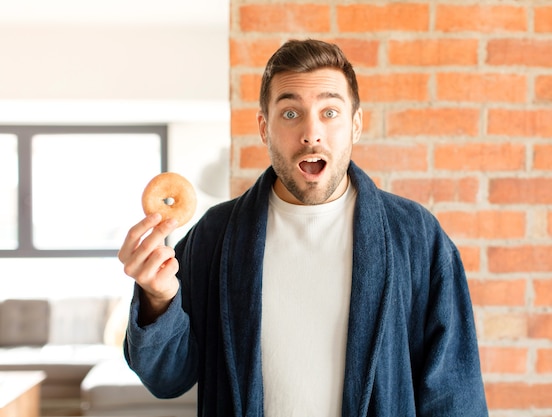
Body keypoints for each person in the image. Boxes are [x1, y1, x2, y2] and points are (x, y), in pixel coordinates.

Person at [119, 38, 489, 416]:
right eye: (291, 114)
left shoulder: (417, 236)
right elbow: (167, 380)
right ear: (264, 128)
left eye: (330, 112)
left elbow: (454, 397)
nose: (312, 133)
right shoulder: (216, 235)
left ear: (356, 125)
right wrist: (158, 298)